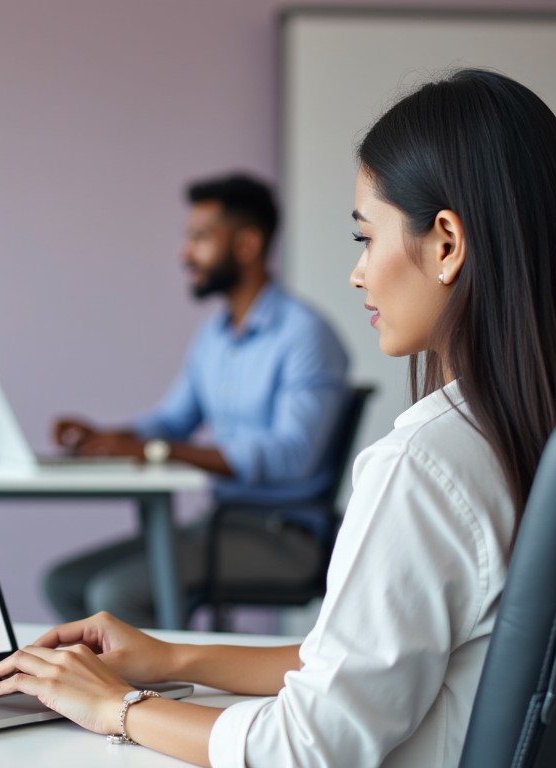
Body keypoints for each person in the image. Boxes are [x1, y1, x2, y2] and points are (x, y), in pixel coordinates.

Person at [0, 69, 556, 766]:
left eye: (366, 237)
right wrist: (172, 656)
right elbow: (373, 657)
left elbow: (306, 748)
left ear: (448, 243)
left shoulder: (428, 462)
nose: (357, 273)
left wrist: (113, 707)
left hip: (276, 533)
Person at [44, 173, 350, 628]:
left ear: (247, 244)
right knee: (65, 583)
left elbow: (292, 455)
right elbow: (172, 421)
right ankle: (122, 686)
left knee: (115, 595)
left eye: (201, 238)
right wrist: (109, 437)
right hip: (220, 523)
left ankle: (155, 694)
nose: (185, 253)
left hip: (285, 535)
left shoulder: (305, 335)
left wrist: (157, 452)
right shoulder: (214, 336)